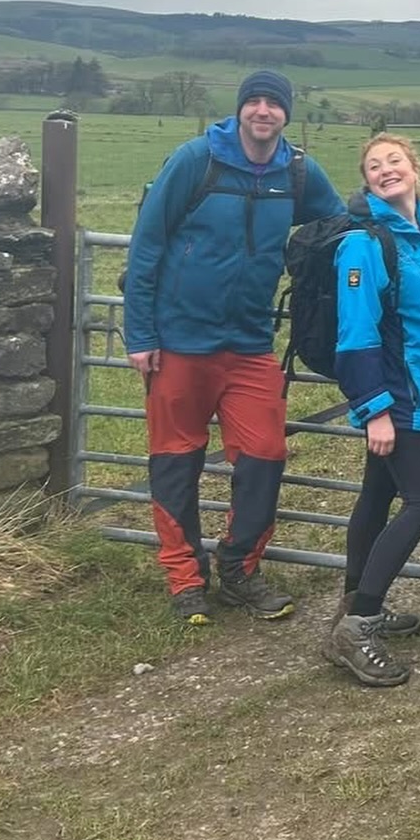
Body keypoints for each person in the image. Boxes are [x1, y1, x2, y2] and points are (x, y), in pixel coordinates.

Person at [124, 69, 344, 625]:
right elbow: (147, 245)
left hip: (249, 343)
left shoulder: (296, 172)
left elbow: (339, 220)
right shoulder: (195, 160)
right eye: (256, 101)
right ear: (241, 108)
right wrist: (141, 335)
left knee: (266, 455)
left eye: (275, 103)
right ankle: (184, 579)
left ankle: (240, 568)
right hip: (179, 341)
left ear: (287, 114)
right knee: (176, 460)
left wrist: (400, 214)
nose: (264, 111)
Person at [323, 133, 420, 687]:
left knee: (378, 495)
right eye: (374, 166)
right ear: (367, 179)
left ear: (413, 167)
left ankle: (354, 603)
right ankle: (359, 623)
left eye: (393, 161)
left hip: (419, 388)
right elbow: (355, 335)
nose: (384, 170)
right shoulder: (364, 243)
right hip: (395, 398)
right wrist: (374, 408)